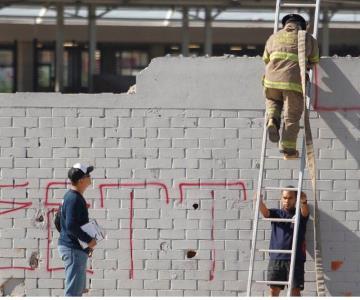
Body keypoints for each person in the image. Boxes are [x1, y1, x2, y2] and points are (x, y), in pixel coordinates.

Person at [262, 14, 319, 159]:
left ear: (285, 24)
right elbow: (314, 60)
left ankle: (272, 120)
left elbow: (265, 59)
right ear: (302, 26)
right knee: (291, 117)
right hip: (292, 83)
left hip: (271, 81)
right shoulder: (307, 38)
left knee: (273, 102)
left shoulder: (273, 37)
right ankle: (288, 151)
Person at [259, 187, 309, 296]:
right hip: (277, 258)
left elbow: (305, 213)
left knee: (295, 292)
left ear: (296, 199)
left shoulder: (300, 213)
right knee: (273, 291)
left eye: (290, 198)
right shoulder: (277, 213)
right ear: (281, 198)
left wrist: (304, 201)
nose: (287, 201)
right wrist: (259, 201)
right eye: (285, 198)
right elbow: (265, 213)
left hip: (295, 259)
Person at [58, 163, 96, 296]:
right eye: (88, 175)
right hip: (73, 250)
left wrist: (69, 238)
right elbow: (70, 225)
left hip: (73, 248)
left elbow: (58, 222)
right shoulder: (74, 199)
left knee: (77, 291)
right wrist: (88, 240)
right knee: (73, 294)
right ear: (81, 181)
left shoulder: (69, 196)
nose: (90, 177)